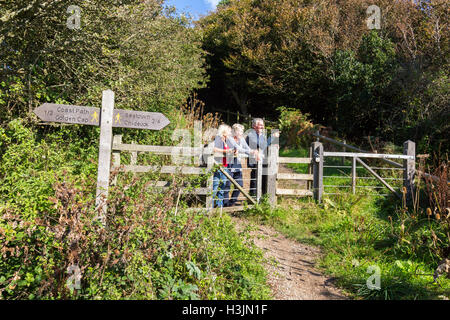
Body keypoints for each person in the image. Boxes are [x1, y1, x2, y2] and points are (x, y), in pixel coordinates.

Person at [211, 124, 251, 208]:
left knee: (222, 187)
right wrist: (228, 151)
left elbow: (235, 148)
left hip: (227, 166)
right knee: (218, 187)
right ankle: (211, 206)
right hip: (220, 166)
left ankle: (220, 207)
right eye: (229, 131)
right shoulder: (220, 138)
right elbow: (214, 149)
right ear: (224, 131)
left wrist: (235, 151)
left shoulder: (227, 140)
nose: (230, 133)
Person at [223, 124, 258, 207]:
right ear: (234, 131)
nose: (241, 133)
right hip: (229, 165)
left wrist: (252, 151)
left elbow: (246, 148)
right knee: (227, 186)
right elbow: (237, 148)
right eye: (240, 131)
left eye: (242, 131)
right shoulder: (230, 138)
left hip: (237, 165)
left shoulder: (241, 139)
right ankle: (225, 204)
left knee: (240, 185)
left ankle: (232, 202)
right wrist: (250, 152)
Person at [246, 118, 279, 197]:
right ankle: (253, 198)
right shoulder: (251, 135)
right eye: (259, 125)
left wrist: (274, 145)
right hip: (255, 161)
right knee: (255, 180)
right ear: (254, 126)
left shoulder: (262, 135)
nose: (262, 126)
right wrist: (272, 137)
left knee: (264, 179)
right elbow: (261, 146)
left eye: (262, 125)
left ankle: (263, 198)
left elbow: (265, 146)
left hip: (263, 160)